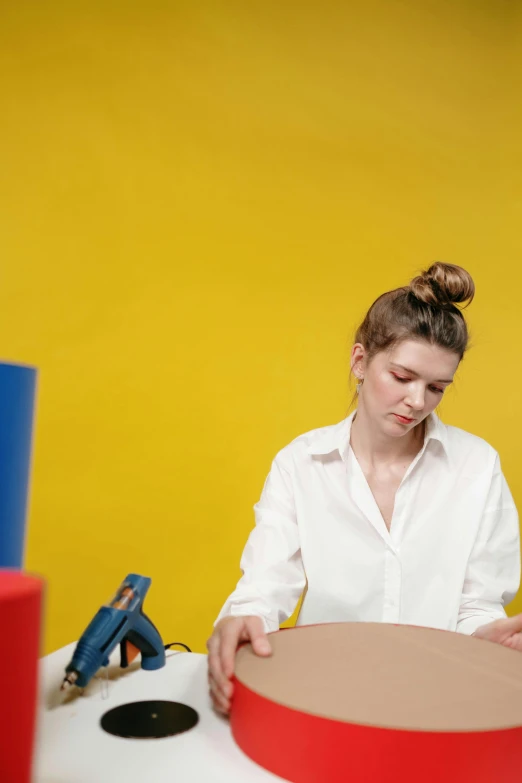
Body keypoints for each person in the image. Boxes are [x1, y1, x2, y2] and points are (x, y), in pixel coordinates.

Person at [207, 262, 522, 715]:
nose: (417, 402)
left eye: (437, 387)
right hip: (323, 697)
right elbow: (265, 586)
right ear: (360, 361)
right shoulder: (301, 464)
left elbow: (477, 603)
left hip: (438, 699)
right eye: (402, 377)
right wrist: (241, 622)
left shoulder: (477, 466)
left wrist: (489, 638)